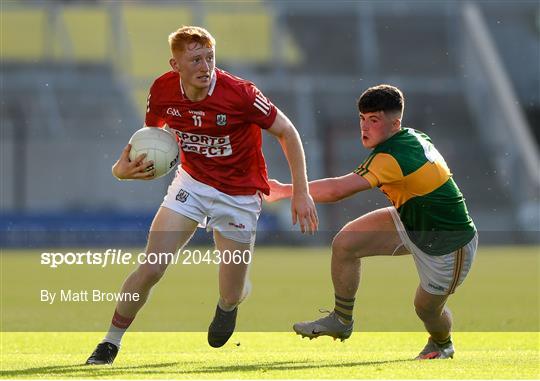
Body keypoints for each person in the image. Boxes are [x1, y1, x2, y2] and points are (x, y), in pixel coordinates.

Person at [86, 26, 318, 365]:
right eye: (195, 59)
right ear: (175, 64)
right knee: (151, 267)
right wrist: (119, 171)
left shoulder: (240, 93)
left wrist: (301, 192)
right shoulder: (162, 90)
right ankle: (110, 342)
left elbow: (287, 131)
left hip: (239, 195)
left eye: (209, 57)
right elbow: (151, 140)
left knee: (231, 291)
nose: (205, 66)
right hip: (191, 185)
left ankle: (230, 303)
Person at [266, 84, 477, 360]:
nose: (365, 127)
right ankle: (341, 320)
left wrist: (284, 190)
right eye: (362, 119)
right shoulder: (408, 137)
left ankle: (442, 344)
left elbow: (337, 190)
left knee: (426, 309)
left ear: (395, 123)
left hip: (449, 244)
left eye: (374, 120)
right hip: (411, 221)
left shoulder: (392, 155)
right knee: (346, 243)